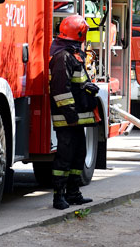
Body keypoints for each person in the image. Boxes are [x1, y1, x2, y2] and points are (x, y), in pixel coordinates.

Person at [48, 14, 100, 209]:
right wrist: (71, 116)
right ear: (80, 34)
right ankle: (58, 196)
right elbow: (61, 90)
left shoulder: (72, 54)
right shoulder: (63, 57)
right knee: (65, 156)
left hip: (77, 118)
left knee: (79, 154)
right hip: (68, 119)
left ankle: (73, 193)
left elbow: (76, 83)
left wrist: (88, 86)